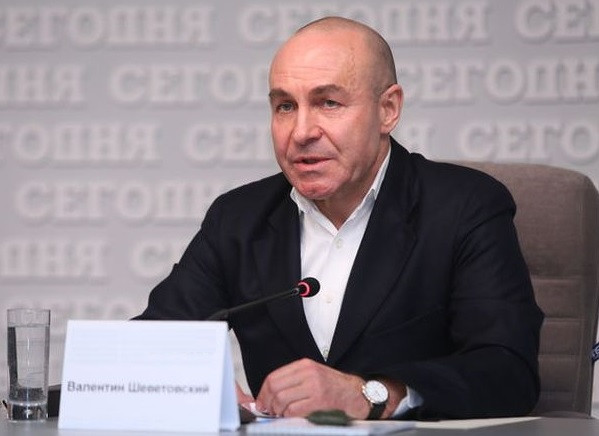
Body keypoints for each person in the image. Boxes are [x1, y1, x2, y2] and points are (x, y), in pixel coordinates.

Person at [135, 16, 543, 420]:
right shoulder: (239, 219)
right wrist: (203, 388)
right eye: (285, 106)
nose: (301, 132)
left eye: (328, 103)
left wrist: (374, 395)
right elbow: (148, 345)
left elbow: (507, 370)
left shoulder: (464, 207)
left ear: (388, 110)